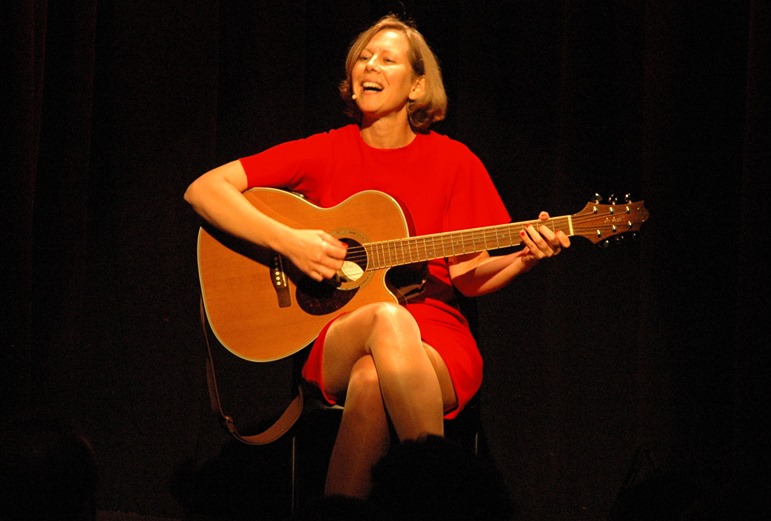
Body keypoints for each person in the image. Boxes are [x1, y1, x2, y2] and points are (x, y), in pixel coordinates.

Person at [184, 14, 569, 499]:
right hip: (340, 331)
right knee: (387, 319)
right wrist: (290, 241)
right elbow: (204, 190)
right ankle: (438, 498)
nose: (370, 66)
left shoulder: (455, 162)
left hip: (439, 339)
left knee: (371, 379)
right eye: (363, 58)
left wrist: (524, 259)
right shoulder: (326, 152)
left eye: (388, 59)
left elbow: (469, 277)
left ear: (418, 86)